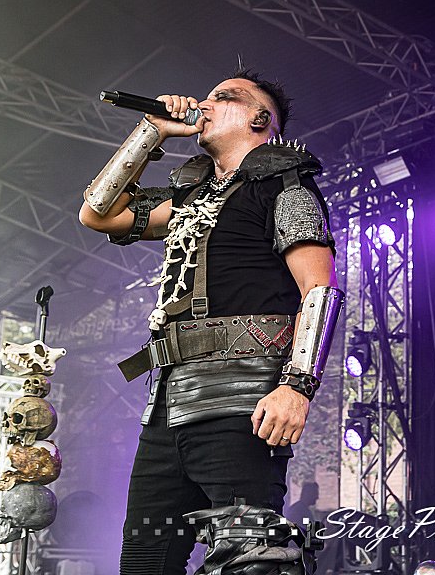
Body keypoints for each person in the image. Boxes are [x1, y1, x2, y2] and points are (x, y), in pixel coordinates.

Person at [78, 69, 343, 575]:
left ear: (259, 118)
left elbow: (320, 289)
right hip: (167, 407)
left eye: (224, 97)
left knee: (250, 560)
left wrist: (297, 388)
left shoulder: (285, 188)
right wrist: (151, 131)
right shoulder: (190, 196)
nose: (205, 103)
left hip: (243, 403)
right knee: (144, 563)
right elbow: (98, 214)